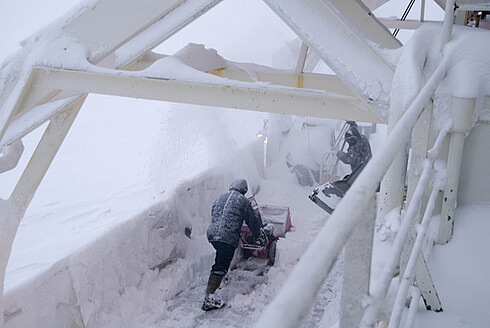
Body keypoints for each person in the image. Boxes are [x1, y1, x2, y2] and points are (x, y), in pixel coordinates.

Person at [202, 179, 262, 311]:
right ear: (244, 190)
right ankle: (209, 298)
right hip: (226, 236)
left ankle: (221, 279)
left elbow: (217, 216)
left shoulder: (220, 197)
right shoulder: (243, 201)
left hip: (213, 235)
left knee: (222, 258)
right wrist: (258, 236)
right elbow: (252, 221)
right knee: (220, 264)